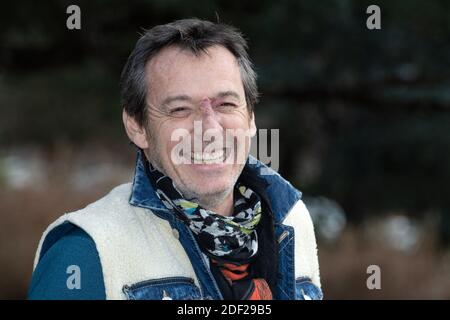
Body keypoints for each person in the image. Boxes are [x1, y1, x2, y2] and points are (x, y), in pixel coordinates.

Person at [28, 18, 322, 300]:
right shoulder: (86, 251)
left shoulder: (293, 221)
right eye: (180, 109)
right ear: (137, 127)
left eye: (226, 104)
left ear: (250, 119)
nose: (209, 128)